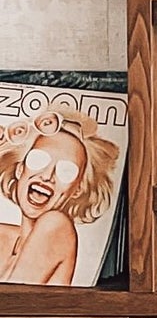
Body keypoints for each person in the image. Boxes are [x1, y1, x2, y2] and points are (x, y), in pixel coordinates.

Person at [0, 109, 120, 285]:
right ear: (20, 169)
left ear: (77, 190)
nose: (48, 176)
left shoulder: (57, 225)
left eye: (66, 171)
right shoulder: (4, 235)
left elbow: (10, 304)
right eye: (38, 159)